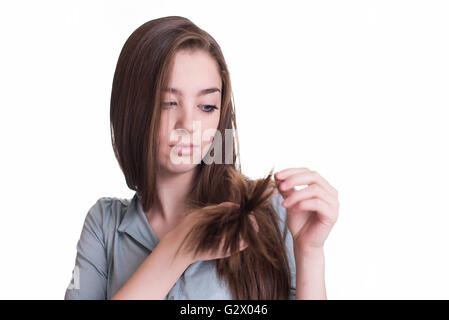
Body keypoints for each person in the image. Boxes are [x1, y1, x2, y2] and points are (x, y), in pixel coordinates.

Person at [64, 16, 339, 300]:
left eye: (207, 106)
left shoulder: (271, 211)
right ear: (131, 109)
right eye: (168, 104)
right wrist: (181, 245)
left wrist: (310, 254)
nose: (187, 124)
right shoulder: (105, 225)